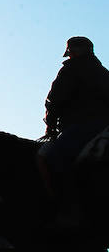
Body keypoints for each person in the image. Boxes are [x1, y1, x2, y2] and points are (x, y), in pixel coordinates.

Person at [41, 36, 109, 177]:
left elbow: (55, 99)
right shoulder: (104, 72)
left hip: (81, 124)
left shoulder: (70, 69)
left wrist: (51, 125)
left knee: (53, 159)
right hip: (103, 127)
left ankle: (65, 197)